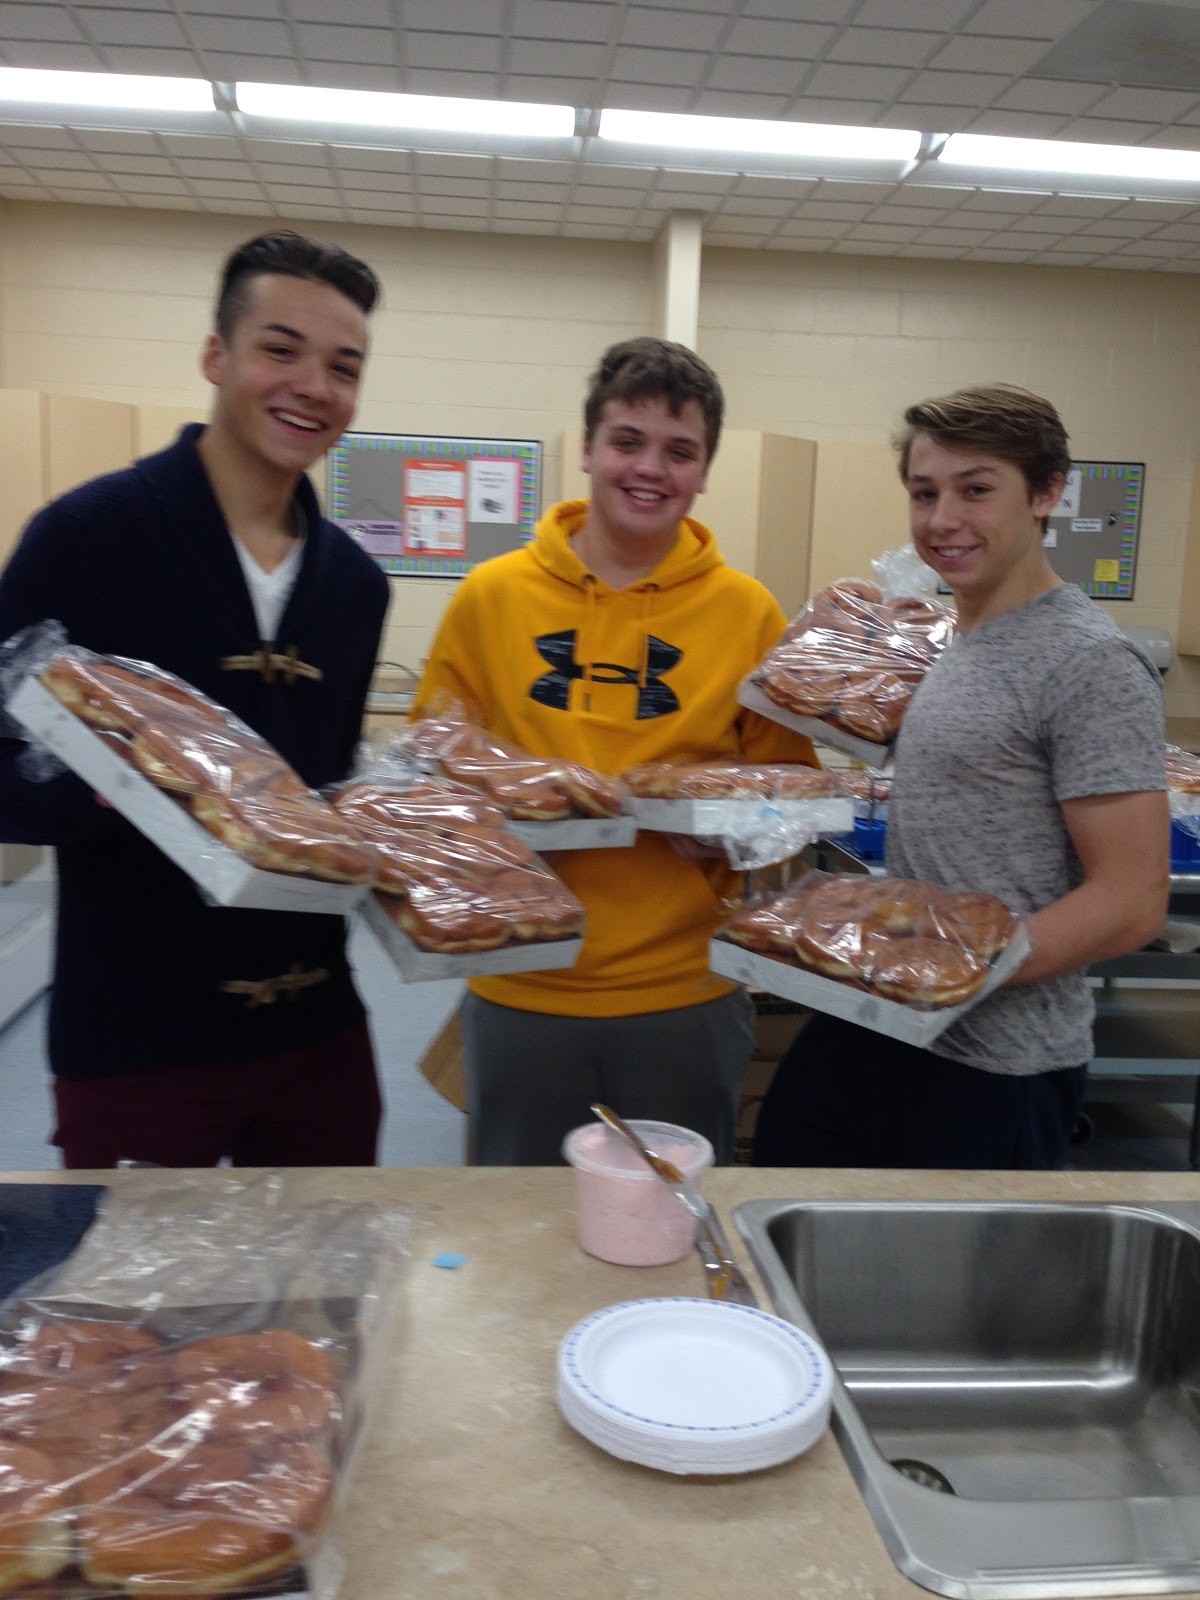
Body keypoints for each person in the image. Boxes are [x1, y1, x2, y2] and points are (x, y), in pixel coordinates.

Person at [0, 231, 390, 1168]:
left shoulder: (354, 585)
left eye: (344, 366)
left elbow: (323, 788)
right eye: (281, 349)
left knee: (317, 1302)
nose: (313, 386)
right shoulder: (89, 537)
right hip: (138, 1032)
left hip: (317, 1033)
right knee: (128, 1310)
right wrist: (125, 790)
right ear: (218, 356)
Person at [411, 336, 818, 1165]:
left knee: (674, 1228)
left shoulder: (749, 614)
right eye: (628, 441)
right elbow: (431, 771)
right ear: (589, 448)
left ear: (704, 472)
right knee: (516, 1230)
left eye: (680, 451)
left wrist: (731, 828)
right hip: (520, 977)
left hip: (685, 989)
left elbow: (790, 801)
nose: (650, 469)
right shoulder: (491, 597)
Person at [754, 382, 1169, 1171]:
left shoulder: (1088, 662)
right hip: (883, 1016)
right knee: (788, 1200)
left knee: (944, 1290)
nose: (943, 520)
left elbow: (1133, 900)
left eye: (976, 490)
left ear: (1047, 492)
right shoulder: (951, 637)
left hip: (994, 1060)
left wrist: (955, 969)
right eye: (924, 492)